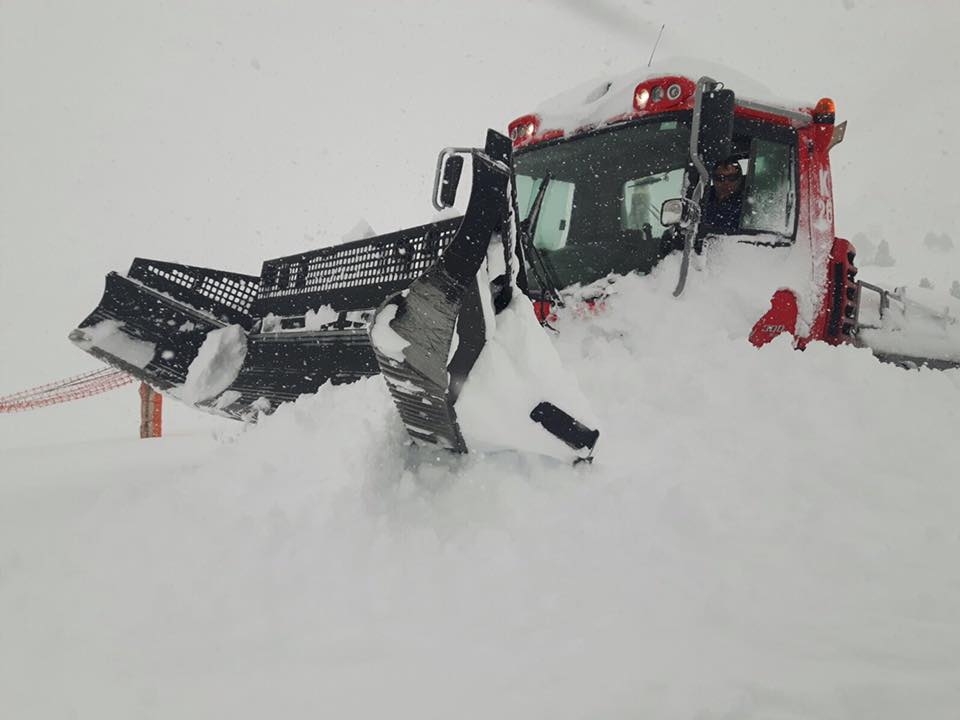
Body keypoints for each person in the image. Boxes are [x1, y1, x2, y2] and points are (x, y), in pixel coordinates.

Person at [701, 159, 744, 234]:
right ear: (713, 180)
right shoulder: (703, 199)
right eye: (720, 178)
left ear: (739, 179)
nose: (726, 182)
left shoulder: (746, 204)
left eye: (732, 178)